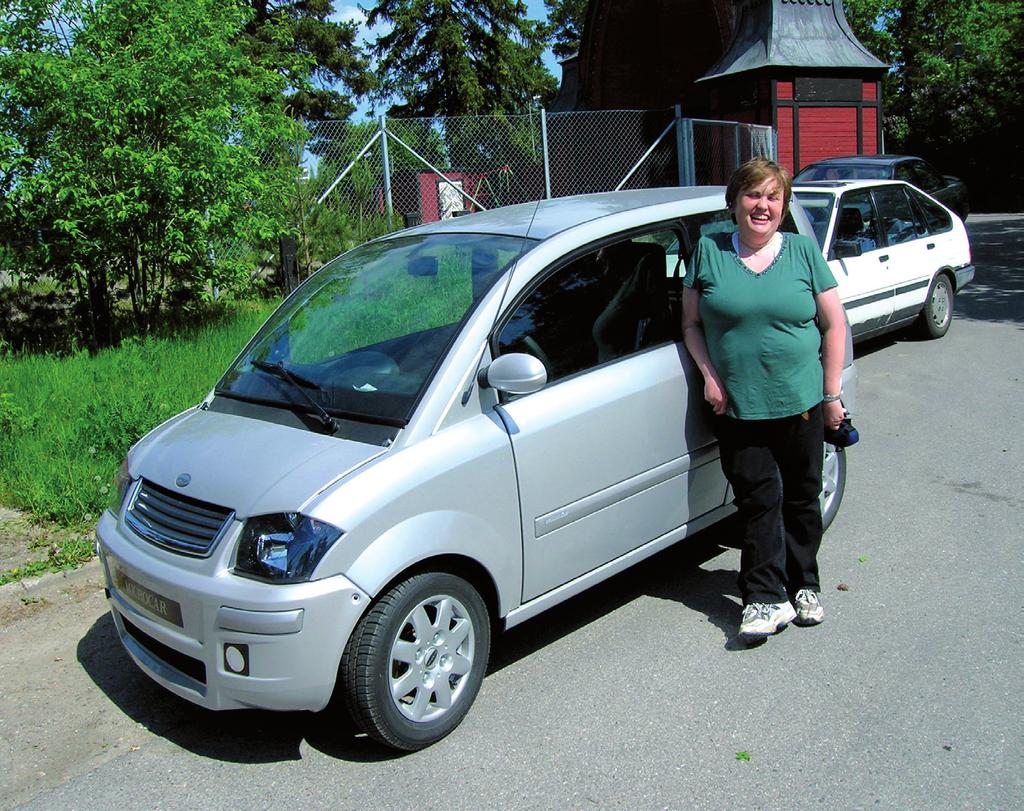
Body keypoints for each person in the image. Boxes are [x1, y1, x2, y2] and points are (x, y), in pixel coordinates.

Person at [681, 157, 847, 644]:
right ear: (734, 202)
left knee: (801, 497)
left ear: (783, 206)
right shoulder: (708, 252)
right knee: (758, 501)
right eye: (753, 195)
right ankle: (762, 597)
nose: (763, 206)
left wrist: (831, 394)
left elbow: (834, 324)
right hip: (738, 407)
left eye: (773, 197)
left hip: (800, 402)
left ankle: (805, 586)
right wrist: (710, 376)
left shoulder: (801, 252)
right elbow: (691, 325)